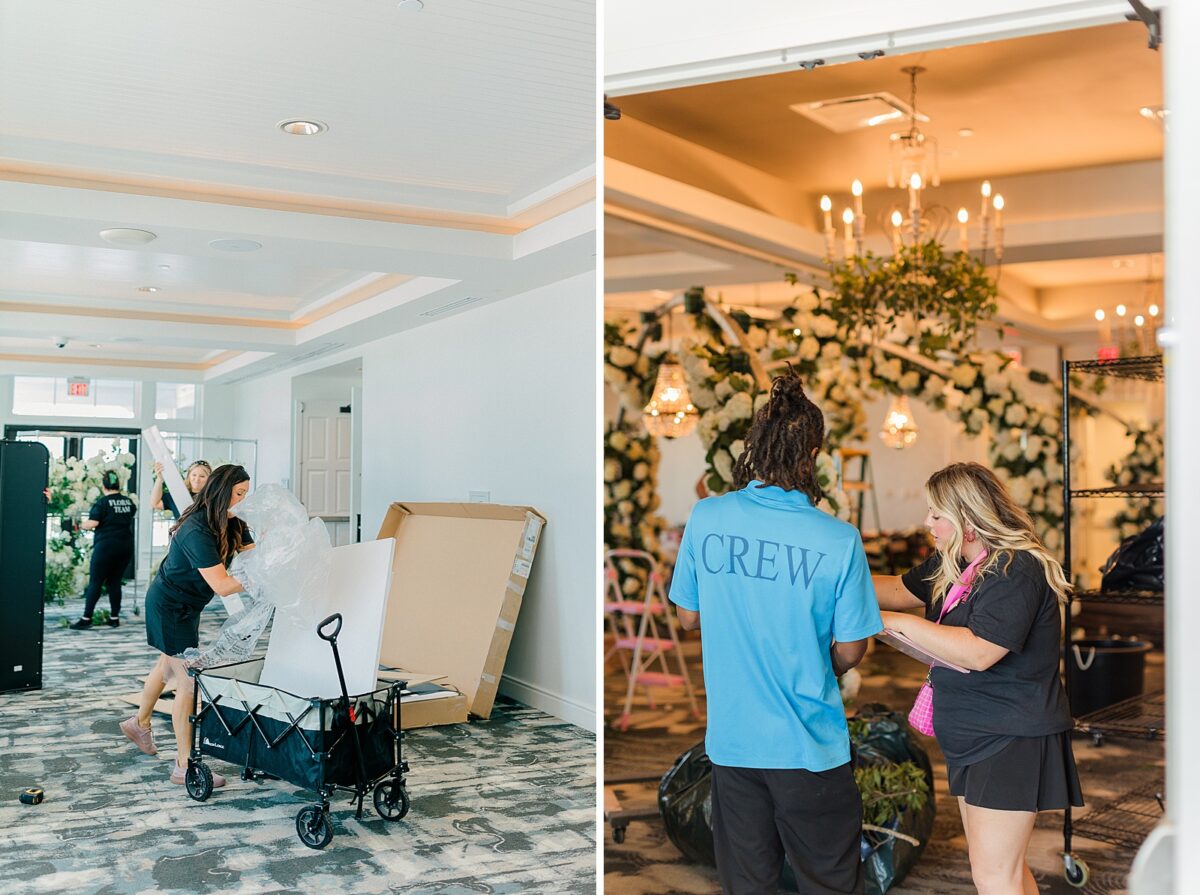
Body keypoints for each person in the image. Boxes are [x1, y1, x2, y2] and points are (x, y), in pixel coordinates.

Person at [669, 370, 883, 895]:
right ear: (813, 457)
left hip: (735, 744)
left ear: (752, 450)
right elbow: (853, 650)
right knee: (830, 882)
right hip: (811, 747)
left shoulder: (707, 516)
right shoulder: (838, 538)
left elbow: (687, 617)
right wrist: (821, 661)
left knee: (749, 884)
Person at [872, 462, 1081, 895]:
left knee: (993, 875)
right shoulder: (956, 563)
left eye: (936, 513)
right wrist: (827, 575)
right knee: (1004, 870)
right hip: (975, 735)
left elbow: (981, 651)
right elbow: (893, 588)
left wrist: (895, 623)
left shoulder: (1016, 568)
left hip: (1008, 736)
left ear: (967, 520)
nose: (927, 523)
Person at [120, 464, 254, 787]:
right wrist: (260, 577)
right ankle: (184, 765)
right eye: (239, 494)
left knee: (167, 668)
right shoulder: (196, 529)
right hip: (168, 606)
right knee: (188, 683)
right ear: (223, 493)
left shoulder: (233, 522)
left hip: (188, 606)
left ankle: (139, 724)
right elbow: (222, 585)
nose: (243, 501)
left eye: (246, 495)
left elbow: (253, 553)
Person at [71, 470, 137, 629]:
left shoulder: (102, 503)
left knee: (95, 581)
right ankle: (114, 618)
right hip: (125, 546)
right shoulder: (129, 502)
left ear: (103, 485)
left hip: (106, 546)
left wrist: (80, 525)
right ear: (118, 484)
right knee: (115, 582)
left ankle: (86, 619)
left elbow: (93, 523)